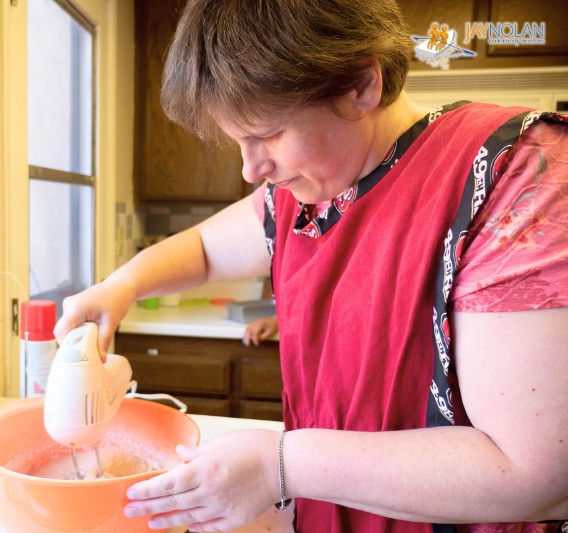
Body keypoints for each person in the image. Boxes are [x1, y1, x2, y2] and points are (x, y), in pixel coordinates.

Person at [54, 0, 568, 531]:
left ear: (360, 86)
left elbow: (536, 475)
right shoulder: (305, 195)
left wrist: (280, 464)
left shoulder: (517, 176)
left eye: (268, 134)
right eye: (237, 141)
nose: (251, 170)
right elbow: (205, 251)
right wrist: (122, 284)